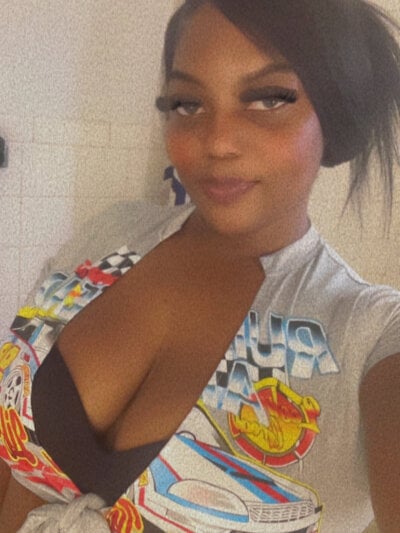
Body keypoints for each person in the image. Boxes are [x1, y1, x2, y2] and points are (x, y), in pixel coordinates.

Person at [0, 0, 399, 531]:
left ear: (335, 112)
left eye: (269, 99)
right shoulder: (111, 235)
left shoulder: (369, 334)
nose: (217, 141)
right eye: (189, 104)